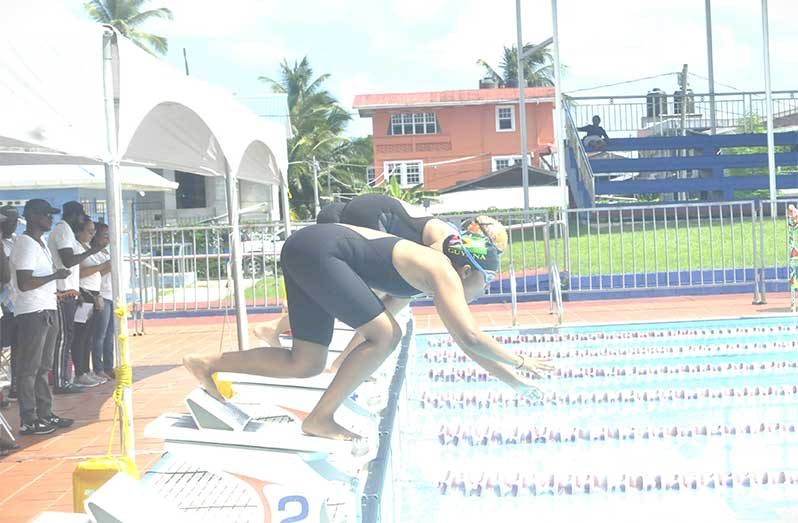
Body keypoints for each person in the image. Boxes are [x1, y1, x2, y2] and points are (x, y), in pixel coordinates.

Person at [184, 223, 553, 442]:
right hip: (319, 251)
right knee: (388, 335)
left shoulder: (424, 272)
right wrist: (522, 361)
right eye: (486, 282)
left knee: (307, 362)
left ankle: (207, 363)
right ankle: (320, 418)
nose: (484, 291)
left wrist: (514, 382)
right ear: (468, 272)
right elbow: (471, 337)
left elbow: (466, 344)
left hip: (307, 248)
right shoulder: (441, 271)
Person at [254, 193, 509, 355]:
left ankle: (278, 327)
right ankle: (277, 325)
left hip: (374, 212)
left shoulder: (449, 249)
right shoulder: (444, 244)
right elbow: (390, 302)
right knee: (356, 296)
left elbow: (394, 303)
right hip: (373, 214)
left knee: (374, 303)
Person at [11, 199, 74, 435]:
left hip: (46, 309)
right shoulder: (25, 244)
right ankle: (29, 419)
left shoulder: (41, 243)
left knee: (43, 366)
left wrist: (56, 290)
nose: (51, 218)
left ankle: (44, 413)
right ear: (33, 216)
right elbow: (25, 283)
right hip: (32, 313)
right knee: (29, 369)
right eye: (47, 214)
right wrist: (54, 276)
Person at [48, 201, 102, 392]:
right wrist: (91, 251)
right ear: (74, 215)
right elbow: (68, 260)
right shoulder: (63, 231)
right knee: (64, 338)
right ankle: (61, 381)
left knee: (70, 336)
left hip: (70, 292)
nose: (83, 220)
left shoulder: (67, 232)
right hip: (62, 294)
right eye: (81, 216)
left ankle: (65, 378)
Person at [73, 220, 110, 386]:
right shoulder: (77, 248)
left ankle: (86, 370)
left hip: (93, 294)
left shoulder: (88, 248)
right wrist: (103, 266)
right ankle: (80, 372)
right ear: (79, 231)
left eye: (93, 232)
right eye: (89, 231)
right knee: (81, 336)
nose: (92, 235)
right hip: (84, 294)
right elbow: (82, 273)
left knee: (87, 336)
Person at [88, 223, 115, 380]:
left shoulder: (106, 252)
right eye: (104, 235)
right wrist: (107, 266)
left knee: (110, 333)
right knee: (100, 334)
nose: (107, 239)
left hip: (111, 295)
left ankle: (108, 366)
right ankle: (98, 368)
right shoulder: (92, 254)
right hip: (101, 295)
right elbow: (96, 272)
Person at [0, 206, 18, 401]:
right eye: (9, 220)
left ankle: (15, 386)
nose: (12, 224)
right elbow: (4, 276)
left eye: (15, 220)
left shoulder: (15, 241)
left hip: (15, 303)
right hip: (4, 303)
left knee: (17, 347)